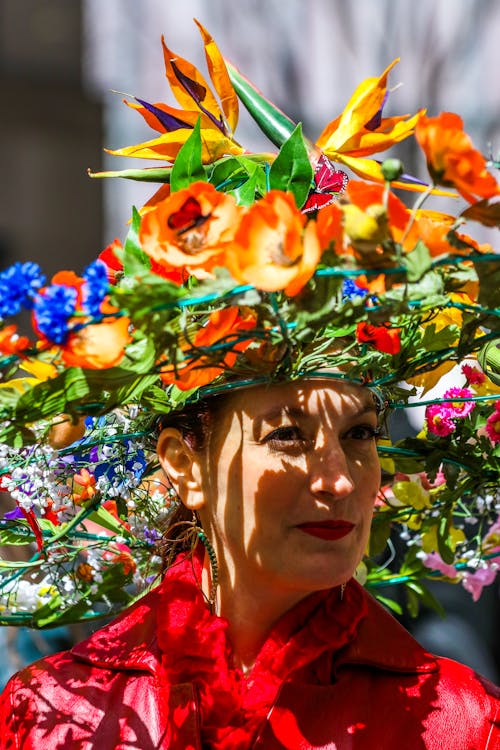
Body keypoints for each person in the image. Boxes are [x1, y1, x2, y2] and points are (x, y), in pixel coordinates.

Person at [0, 21, 499, 750]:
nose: (336, 480)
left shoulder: (454, 723)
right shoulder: (60, 716)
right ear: (184, 464)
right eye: (289, 434)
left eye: (358, 434)